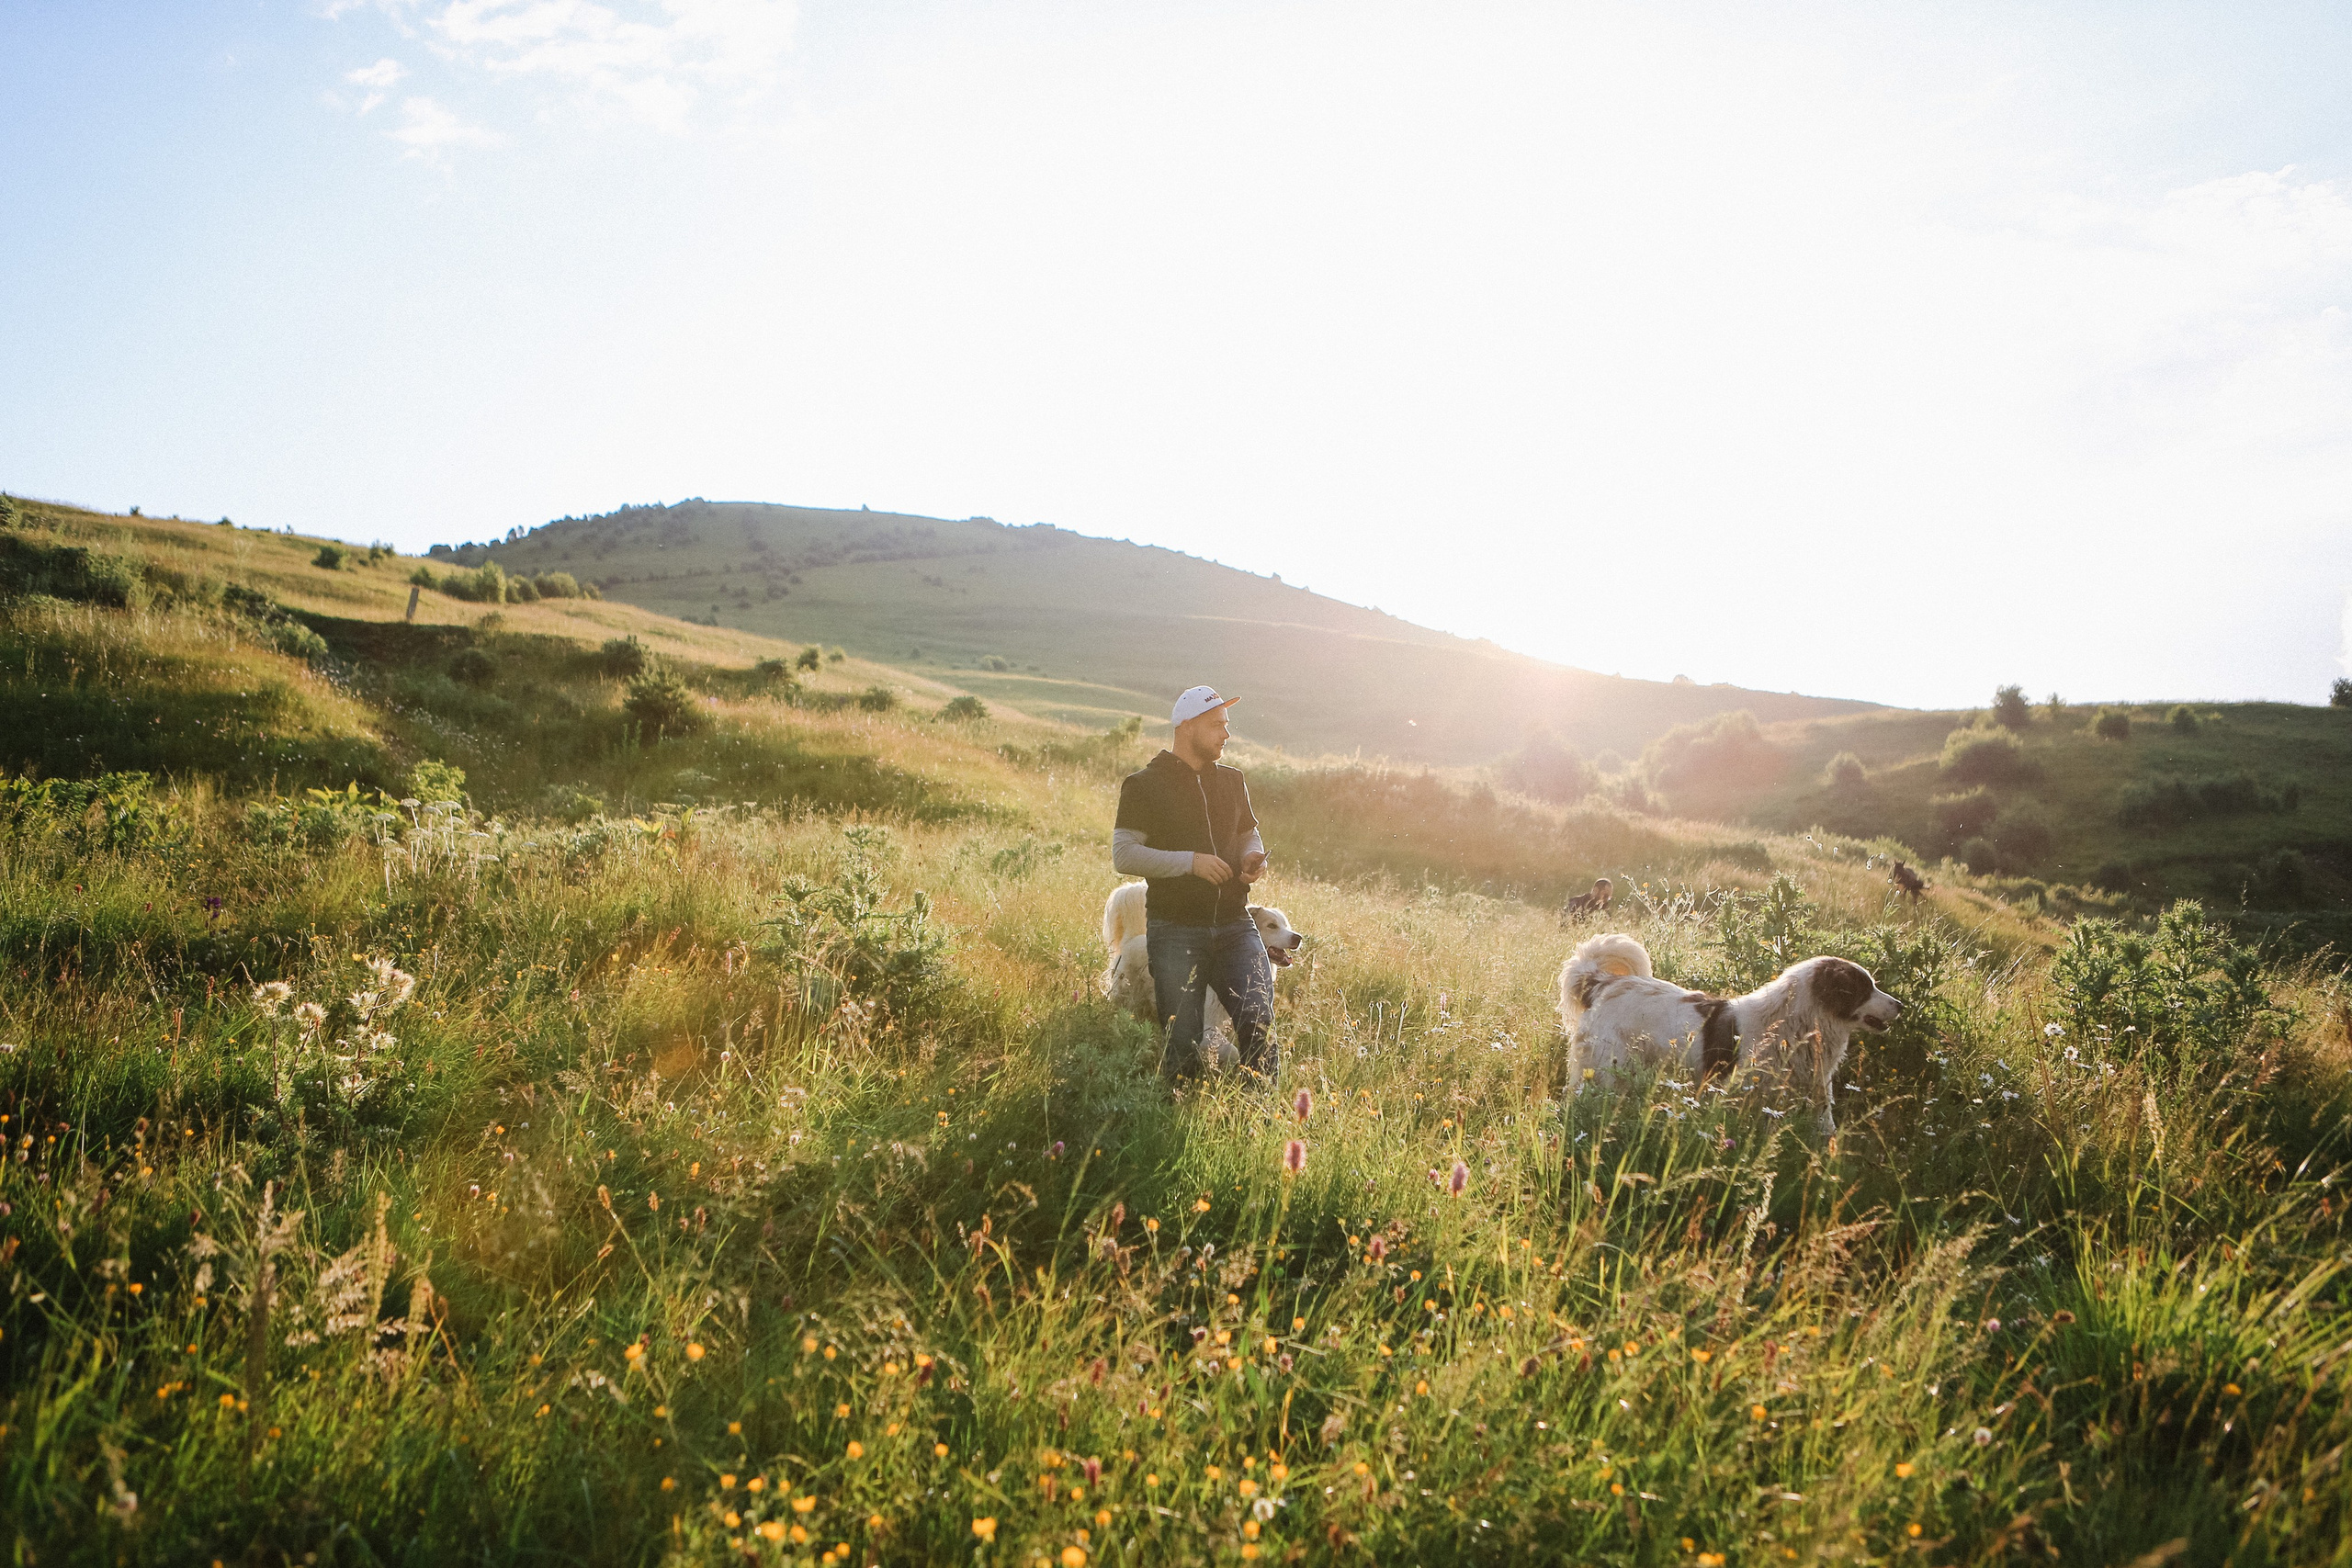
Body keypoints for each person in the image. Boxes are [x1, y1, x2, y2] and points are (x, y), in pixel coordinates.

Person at [1112, 685, 1275, 1086]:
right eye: (1217, 724)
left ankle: (1263, 1110)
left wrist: (1251, 857)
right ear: (1187, 726)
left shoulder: (1233, 781)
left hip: (1236, 924)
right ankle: (1179, 1108)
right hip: (1175, 929)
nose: (1227, 733)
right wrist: (1191, 863)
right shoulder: (1144, 784)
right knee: (1182, 1041)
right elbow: (1124, 854)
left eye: (1227, 724)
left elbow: (1247, 834)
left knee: (1259, 1021)